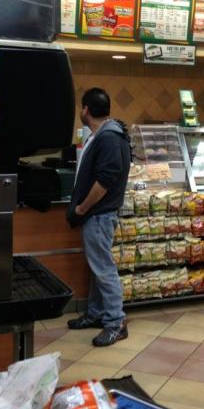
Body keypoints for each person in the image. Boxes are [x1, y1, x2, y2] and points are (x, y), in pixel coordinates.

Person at [66, 87, 131, 346]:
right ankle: (96, 313)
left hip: (99, 214)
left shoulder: (109, 137)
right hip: (97, 215)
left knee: (104, 269)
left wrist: (82, 208)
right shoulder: (103, 134)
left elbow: (105, 180)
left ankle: (116, 322)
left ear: (85, 110)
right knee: (97, 268)